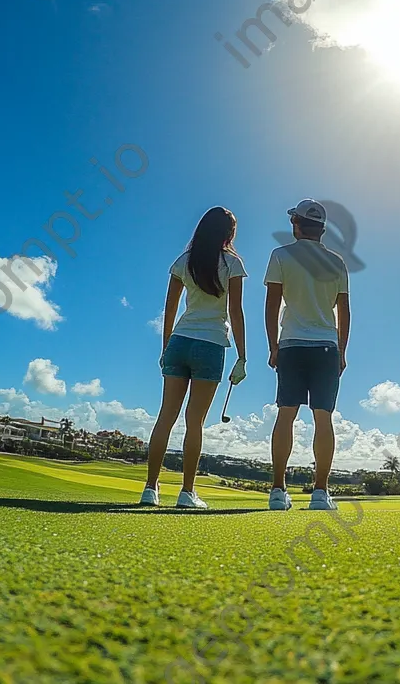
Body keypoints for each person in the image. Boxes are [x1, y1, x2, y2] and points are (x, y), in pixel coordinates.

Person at [141, 207, 247, 509]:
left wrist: (165, 347)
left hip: (179, 342)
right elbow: (236, 313)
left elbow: (170, 309)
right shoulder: (233, 264)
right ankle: (187, 493)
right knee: (194, 422)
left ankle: (150, 489)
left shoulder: (182, 261)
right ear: (228, 234)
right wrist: (242, 356)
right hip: (211, 345)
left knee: (165, 417)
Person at [265, 199, 350, 511]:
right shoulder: (337, 262)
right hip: (326, 346)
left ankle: (277, 490)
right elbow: (344, 311)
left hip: (291, 345)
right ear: (322, 230)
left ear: (295, 224)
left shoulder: (280, 255)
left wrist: (273, 345)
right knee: (323, 417)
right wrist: (342, 351)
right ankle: (320, 493)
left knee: (286, 414)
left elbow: (272, 305)